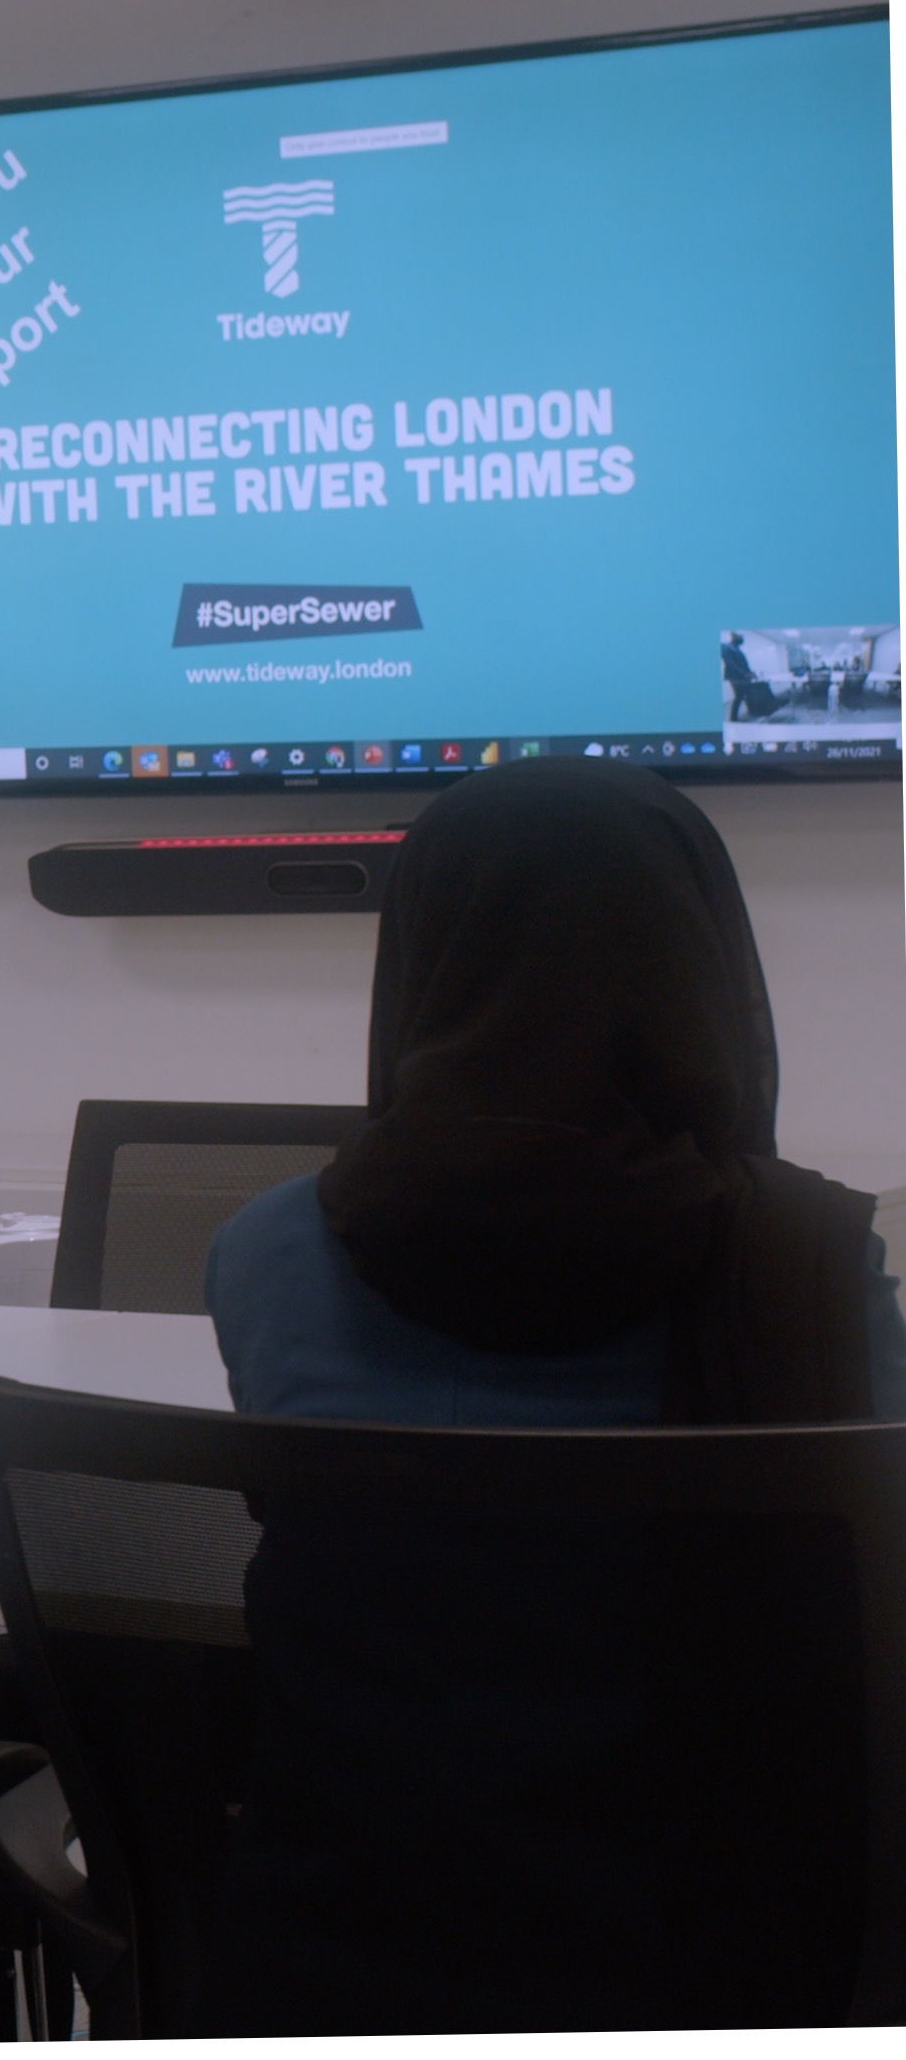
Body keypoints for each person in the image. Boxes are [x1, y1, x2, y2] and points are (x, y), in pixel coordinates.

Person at [200, 754, 904, 2033]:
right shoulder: (809, 1269)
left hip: (335, 1931)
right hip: (719, 1955)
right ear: (694, 965)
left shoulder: (264, 1254)